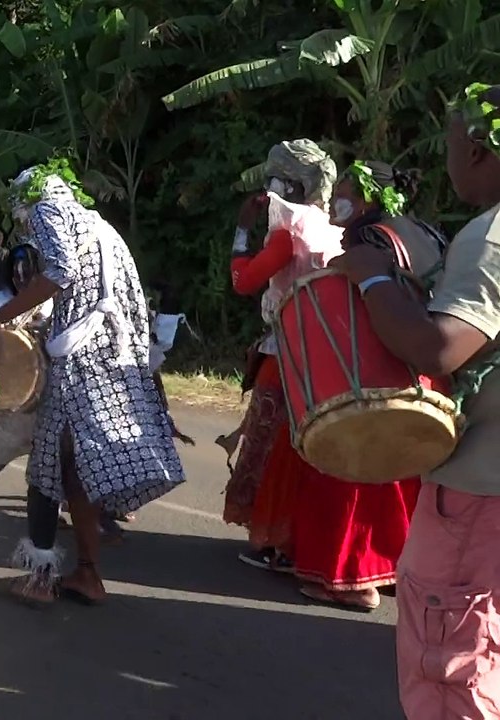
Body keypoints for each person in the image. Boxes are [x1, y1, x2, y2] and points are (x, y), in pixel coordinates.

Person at [329, 82, 500, 717]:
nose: (449, 160)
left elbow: (439, 347)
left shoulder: (493, 237)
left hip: (482, 498)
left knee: (452, 674)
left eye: (454, 145)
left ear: (479, 149)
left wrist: (371, 275)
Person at [0, 160, 185, 605]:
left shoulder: (46, 210)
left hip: (77, 364)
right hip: (113, 361)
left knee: (45, 470)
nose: (25, 226)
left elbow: (59, 273)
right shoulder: (103, 229)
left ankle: (40, 579)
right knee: (76, 471)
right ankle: (88, 573)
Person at [276, 157, 441, 610]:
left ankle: (349, 579)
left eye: (346, 186)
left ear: (368, 195)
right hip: (424, 375)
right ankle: (392, 569)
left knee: (348, 472)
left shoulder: (369, 238)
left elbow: (357, 308)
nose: (338, 196)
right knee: (405, 474)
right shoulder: (423, 232)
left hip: (372, 375)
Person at [221, 139, 342, 572]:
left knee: (273, 448)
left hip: (288, 355)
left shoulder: (289, 227)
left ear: (289, 185)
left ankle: (276, 540)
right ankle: (300, 539)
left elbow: (245, 281)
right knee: (309, 448)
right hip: (326, 359)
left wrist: (241, 232)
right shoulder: (331, 227)